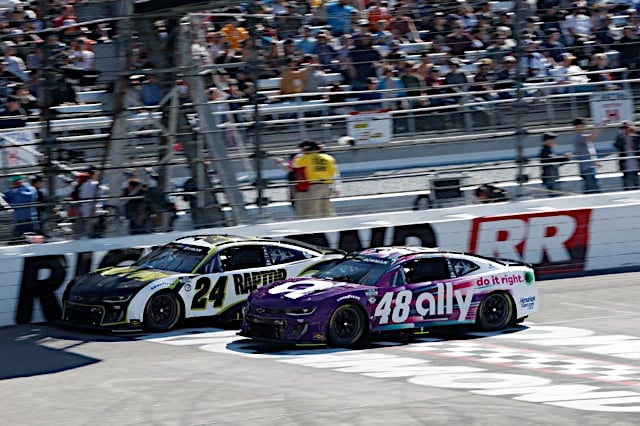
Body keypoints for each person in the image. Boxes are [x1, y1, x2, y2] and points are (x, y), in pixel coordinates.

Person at [293, 140, 341, 218]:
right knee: (326, 206)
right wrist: (337, 187)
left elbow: (295, 164)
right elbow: (334, 173)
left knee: (314, 208)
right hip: (327, 185)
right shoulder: (328, 157)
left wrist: (301, 153)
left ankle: (317, 227)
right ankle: (331, 222)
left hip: (314, 185)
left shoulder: (308, 157)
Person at [573, 117, 606, 194]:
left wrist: (595, 162)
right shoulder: (578, 138)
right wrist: (601, 125)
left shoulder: (583, 137)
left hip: (590, 167)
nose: (583, 127)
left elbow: (589, 151)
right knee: (592, 189)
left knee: (593, 188)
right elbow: (592, 136)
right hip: (586, 168)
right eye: (581, 125)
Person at [2, 175, 38, 240]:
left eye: (13, 182)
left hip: (30, 219)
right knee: (17, 238)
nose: (12, 184)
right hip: (19, 219)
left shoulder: (30, 189)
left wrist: (11, 193)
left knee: (30, 237)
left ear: (19, 182)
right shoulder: (13, 191)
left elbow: (19, 199)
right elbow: (7, 199)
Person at [539, 132, 571, 196]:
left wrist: (565, 159)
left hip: (552, 179)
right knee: (555, 196)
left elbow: (555, 163)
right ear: (547, 140)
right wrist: (564, 158)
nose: (554, 141)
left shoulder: (548, 150)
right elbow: (553, 160)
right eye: (552, 139)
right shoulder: (544, 151)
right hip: (550, 180)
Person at [613, 121, 640, 190]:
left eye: (626, 127)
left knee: (636, 182)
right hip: (625, 164)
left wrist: (634, 130)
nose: (625, 129)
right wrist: (624, 137)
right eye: (623, 128)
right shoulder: (620, 137)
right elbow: (617, 145)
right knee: (626, 183)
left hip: (636, 162)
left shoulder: (636, 135)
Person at [77, 165, 102, 238]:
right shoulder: (95, 184)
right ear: (93, 174)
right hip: (94, 213)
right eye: (97, 174)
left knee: (88, 234)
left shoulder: (83, 185)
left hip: (85, 213)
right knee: (96, 234)